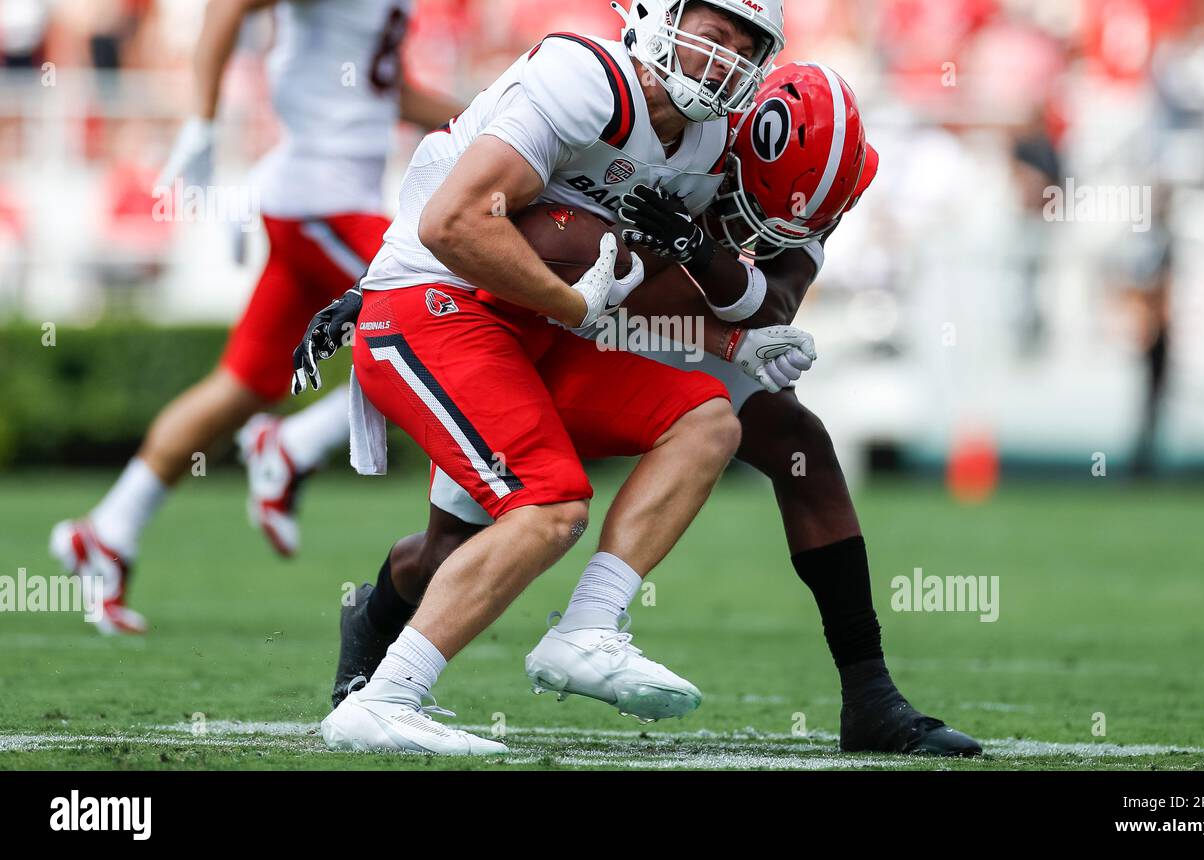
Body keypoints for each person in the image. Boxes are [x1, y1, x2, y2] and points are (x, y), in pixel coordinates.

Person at [314, 63, 981, 755]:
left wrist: (702, 254)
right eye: (751, 193)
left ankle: (868, 693)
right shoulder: (680, 126)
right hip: (577, 314)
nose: (762, 218)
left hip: (694, 320)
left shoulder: (819, 179)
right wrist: (383, 283)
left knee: (796, 443)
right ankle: (378, 621)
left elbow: (774, 301)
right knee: (456, 545)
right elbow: (512, 212)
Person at [319, 0, 798, 756]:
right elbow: (456, 221)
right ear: (657, 12)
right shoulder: (586, 79)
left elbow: (619, 276)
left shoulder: (706, 149)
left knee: (707, 421)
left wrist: (730, 336)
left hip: (534, 325)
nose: (724, 63)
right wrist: (571, 304)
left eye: (745, 50)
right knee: (548, 505)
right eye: (712, 36)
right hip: (436, 303)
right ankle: (386, 698)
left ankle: (587, 630)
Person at [49, 0, 459, 633]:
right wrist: (202, 126)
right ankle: (294, 443)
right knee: (447, 315)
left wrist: (492, 120)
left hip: (322, 197)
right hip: (321, 199)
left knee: (245, 384)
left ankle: (105, 529)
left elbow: (379, 86)